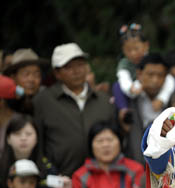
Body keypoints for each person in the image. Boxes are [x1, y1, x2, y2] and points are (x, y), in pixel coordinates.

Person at [33, 42, 116, 177]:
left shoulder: (103, 100)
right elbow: (38, 144)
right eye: (68, 67)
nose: (76, 71)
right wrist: (46, 173)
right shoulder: (44, 101)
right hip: (60, 179)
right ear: (57, 73)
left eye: (80, 65)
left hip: (103, 180)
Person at [0, 115, 71, 188]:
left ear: (37, 138)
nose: (23, 138)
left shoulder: (48, 168)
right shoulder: (1, 166)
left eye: (28, 134)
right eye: (17, 134)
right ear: (8, 138)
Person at [114, 23, 175, 127]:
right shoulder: (124, 64)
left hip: (155, 96)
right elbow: (123, 78)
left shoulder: (153, 61)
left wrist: (162, 98)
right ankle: (124, 111)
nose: (133, 53)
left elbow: (168, 79)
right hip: (135, 88)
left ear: (146, 46)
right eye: (129, 50)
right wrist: (131, 88)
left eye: (136, 49)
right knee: (116, 86)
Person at [124, 53, 170, 163]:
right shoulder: (127, 100)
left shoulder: (172, 100)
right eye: (150, 74)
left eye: (160, 75)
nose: (155, 80)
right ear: (139, 74)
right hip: (134, 166)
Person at [3, 49, 48, 115]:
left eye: (36, 74)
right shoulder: (5, 103)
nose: (31, 79)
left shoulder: (47, 98)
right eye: (25, 74)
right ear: (13, 78)